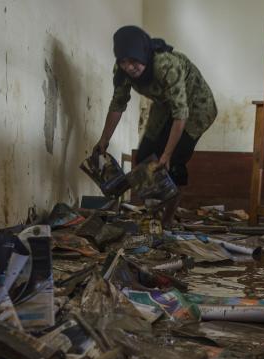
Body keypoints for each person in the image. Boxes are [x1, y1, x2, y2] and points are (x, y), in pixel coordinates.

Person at [93, 25, 217, 227]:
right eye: (123, 61)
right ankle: (154, 214)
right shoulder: (122, 71)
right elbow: (118, 104)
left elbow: (181, 113)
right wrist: (104, 139)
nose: (129, 67)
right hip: (164, 105)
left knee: (172, 163)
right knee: (145, 157)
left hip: (196, 107)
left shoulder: (166, 65)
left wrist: (167, 154)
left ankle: (167, 220)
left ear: (143, 54)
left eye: (133, 61)